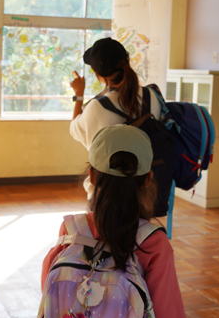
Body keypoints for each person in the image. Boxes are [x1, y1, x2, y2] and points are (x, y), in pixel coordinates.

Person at [40, 125, 190, 318]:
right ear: (147, 179)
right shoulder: (152, 242)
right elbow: (167, 317)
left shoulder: (72, 229)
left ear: (92, 176)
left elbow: (50, 290)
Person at [70, 37, 164, 200]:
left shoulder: (97, 107)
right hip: (148, 192)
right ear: (126, 61)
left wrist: (78, 95)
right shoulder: (152, 96)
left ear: (97, 73)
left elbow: (74, 130)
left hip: (107, 196)